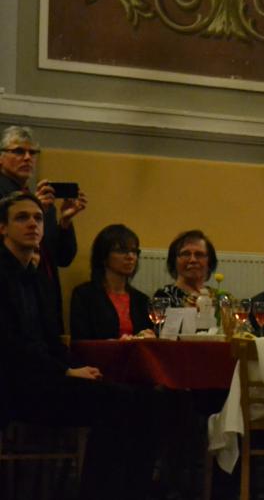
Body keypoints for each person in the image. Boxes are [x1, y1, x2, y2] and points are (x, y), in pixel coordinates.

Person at [0, 193, 159, 499]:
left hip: (44, 377)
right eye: (22, 217)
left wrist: (75, 367)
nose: (33, 224)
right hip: (13, 385)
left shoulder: (39, 279)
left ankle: (131, 491)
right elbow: (10, 345)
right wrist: (65, 372)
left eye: (37, 218)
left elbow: (53, 340)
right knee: (118, 401)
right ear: (2, 228)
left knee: (146, 401)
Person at [0, 125, 87, 330]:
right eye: (19, 151)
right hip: (11, 290)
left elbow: (64, 257)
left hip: (43, 290)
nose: (27, 158)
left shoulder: (39, 198)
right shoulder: (23, 199)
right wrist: (35, 206)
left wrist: (65, 222)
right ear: (1, 157)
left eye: (33, 153)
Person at [69, 224, 154, 340]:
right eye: (122, 251)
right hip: (101, 352)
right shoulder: (84, 295)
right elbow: (80, 341)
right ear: (104, 256)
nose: (130, 257)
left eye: (134, 251)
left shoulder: (142, 300)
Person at [153, 229, 218, 307]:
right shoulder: (164, 297)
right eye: (186, 254)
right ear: (174, 260)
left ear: (210, 261)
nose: (193, 260)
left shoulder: (218, 298)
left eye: (199, 254)